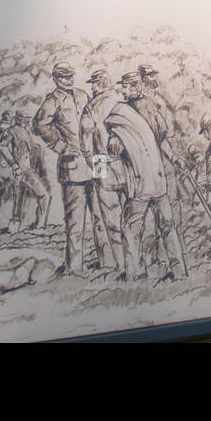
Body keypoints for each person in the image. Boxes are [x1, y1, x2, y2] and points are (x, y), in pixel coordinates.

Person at [105, 72, 187, 281]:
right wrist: (175, 158)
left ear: (134, 87)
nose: (122, 90)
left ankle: (134, 274)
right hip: (158, 179)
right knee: (168, 226)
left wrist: (103, 176)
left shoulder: (123, 114)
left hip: (140, 182)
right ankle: (179, 271)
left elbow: (112, 148)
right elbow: (163, 140)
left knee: (131, 228)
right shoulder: (151, 106)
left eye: (124, 86)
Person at [34, 63, 94, 275]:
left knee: (104, 217)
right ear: (56, 79)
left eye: (70, 76)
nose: (68, 80)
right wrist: (60, 147)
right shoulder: (53, 100)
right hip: (72, 168)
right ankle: (74, 267)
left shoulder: (83, 95)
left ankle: (107, 263)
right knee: (75, 222)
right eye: (63, 77)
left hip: (95, 166)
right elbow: (40, 125)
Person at [80, 70, 122, 271]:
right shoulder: (120, 100)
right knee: (123, 208)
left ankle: (108, 261)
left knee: (101, 209)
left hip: (100, 160)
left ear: (100, 84)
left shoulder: (92, 106)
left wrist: (90, 160)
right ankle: (130, 258)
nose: (92, 88)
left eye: (94, 84)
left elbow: (86, 138)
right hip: (122, 160)